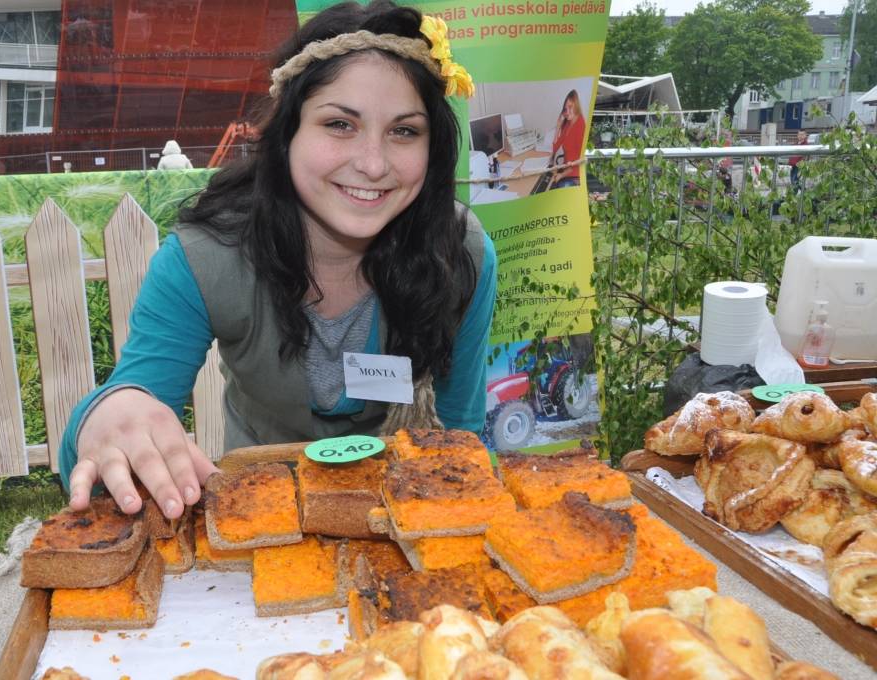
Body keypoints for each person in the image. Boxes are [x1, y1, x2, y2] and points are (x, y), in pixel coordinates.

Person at [62, 0, 495, 520]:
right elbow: (128, 418)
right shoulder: (204, 258)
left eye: (404, 131)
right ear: (287, 132)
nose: (374, 164)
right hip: (255, 517)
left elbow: (460, 431)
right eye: (339, 124)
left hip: (397, 517)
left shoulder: (459, 251)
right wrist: (106, 418)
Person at [548, 90, 586, 190]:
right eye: (565, 108)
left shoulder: (581, 126)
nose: (567, 112)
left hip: (575, 176)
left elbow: (578, 162)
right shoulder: (568, 122)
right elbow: (555, 147)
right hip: (566, 172)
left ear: (576, 106)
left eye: (570, 107)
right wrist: (558, 127)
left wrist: (560, 175)